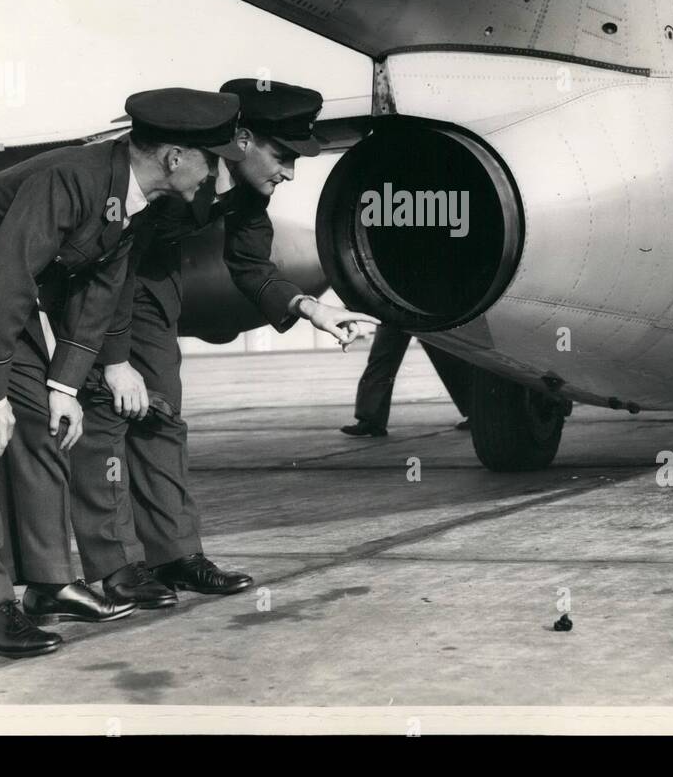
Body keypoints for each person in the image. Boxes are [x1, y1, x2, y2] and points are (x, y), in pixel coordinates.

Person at [0, 88, 244, 658]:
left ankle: (47, 585)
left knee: (44, 421)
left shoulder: (130, 198)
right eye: (212, 161)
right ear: (174, 157)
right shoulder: (71, 178)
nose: (214, 176)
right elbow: (9, 276)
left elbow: (102, 296)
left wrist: (67, 384)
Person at [71, 79, 378, 608]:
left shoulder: (249, 190)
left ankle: (174, 555)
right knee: (106, 414)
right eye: (282, 155)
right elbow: (103, 251)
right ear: (241, 139)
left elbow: (251, 265)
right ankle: (116, 567)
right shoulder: (174, 159)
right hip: (92, 275)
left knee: (161, 412)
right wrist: (115, 358)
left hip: (149, 279)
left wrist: (311, 307)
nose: (288, 172)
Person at [341, 324, 474, 437]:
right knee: (382, 357)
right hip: (404, 306)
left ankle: (476, 413)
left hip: (418, 304)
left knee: (447, 358)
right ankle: (370, 420)